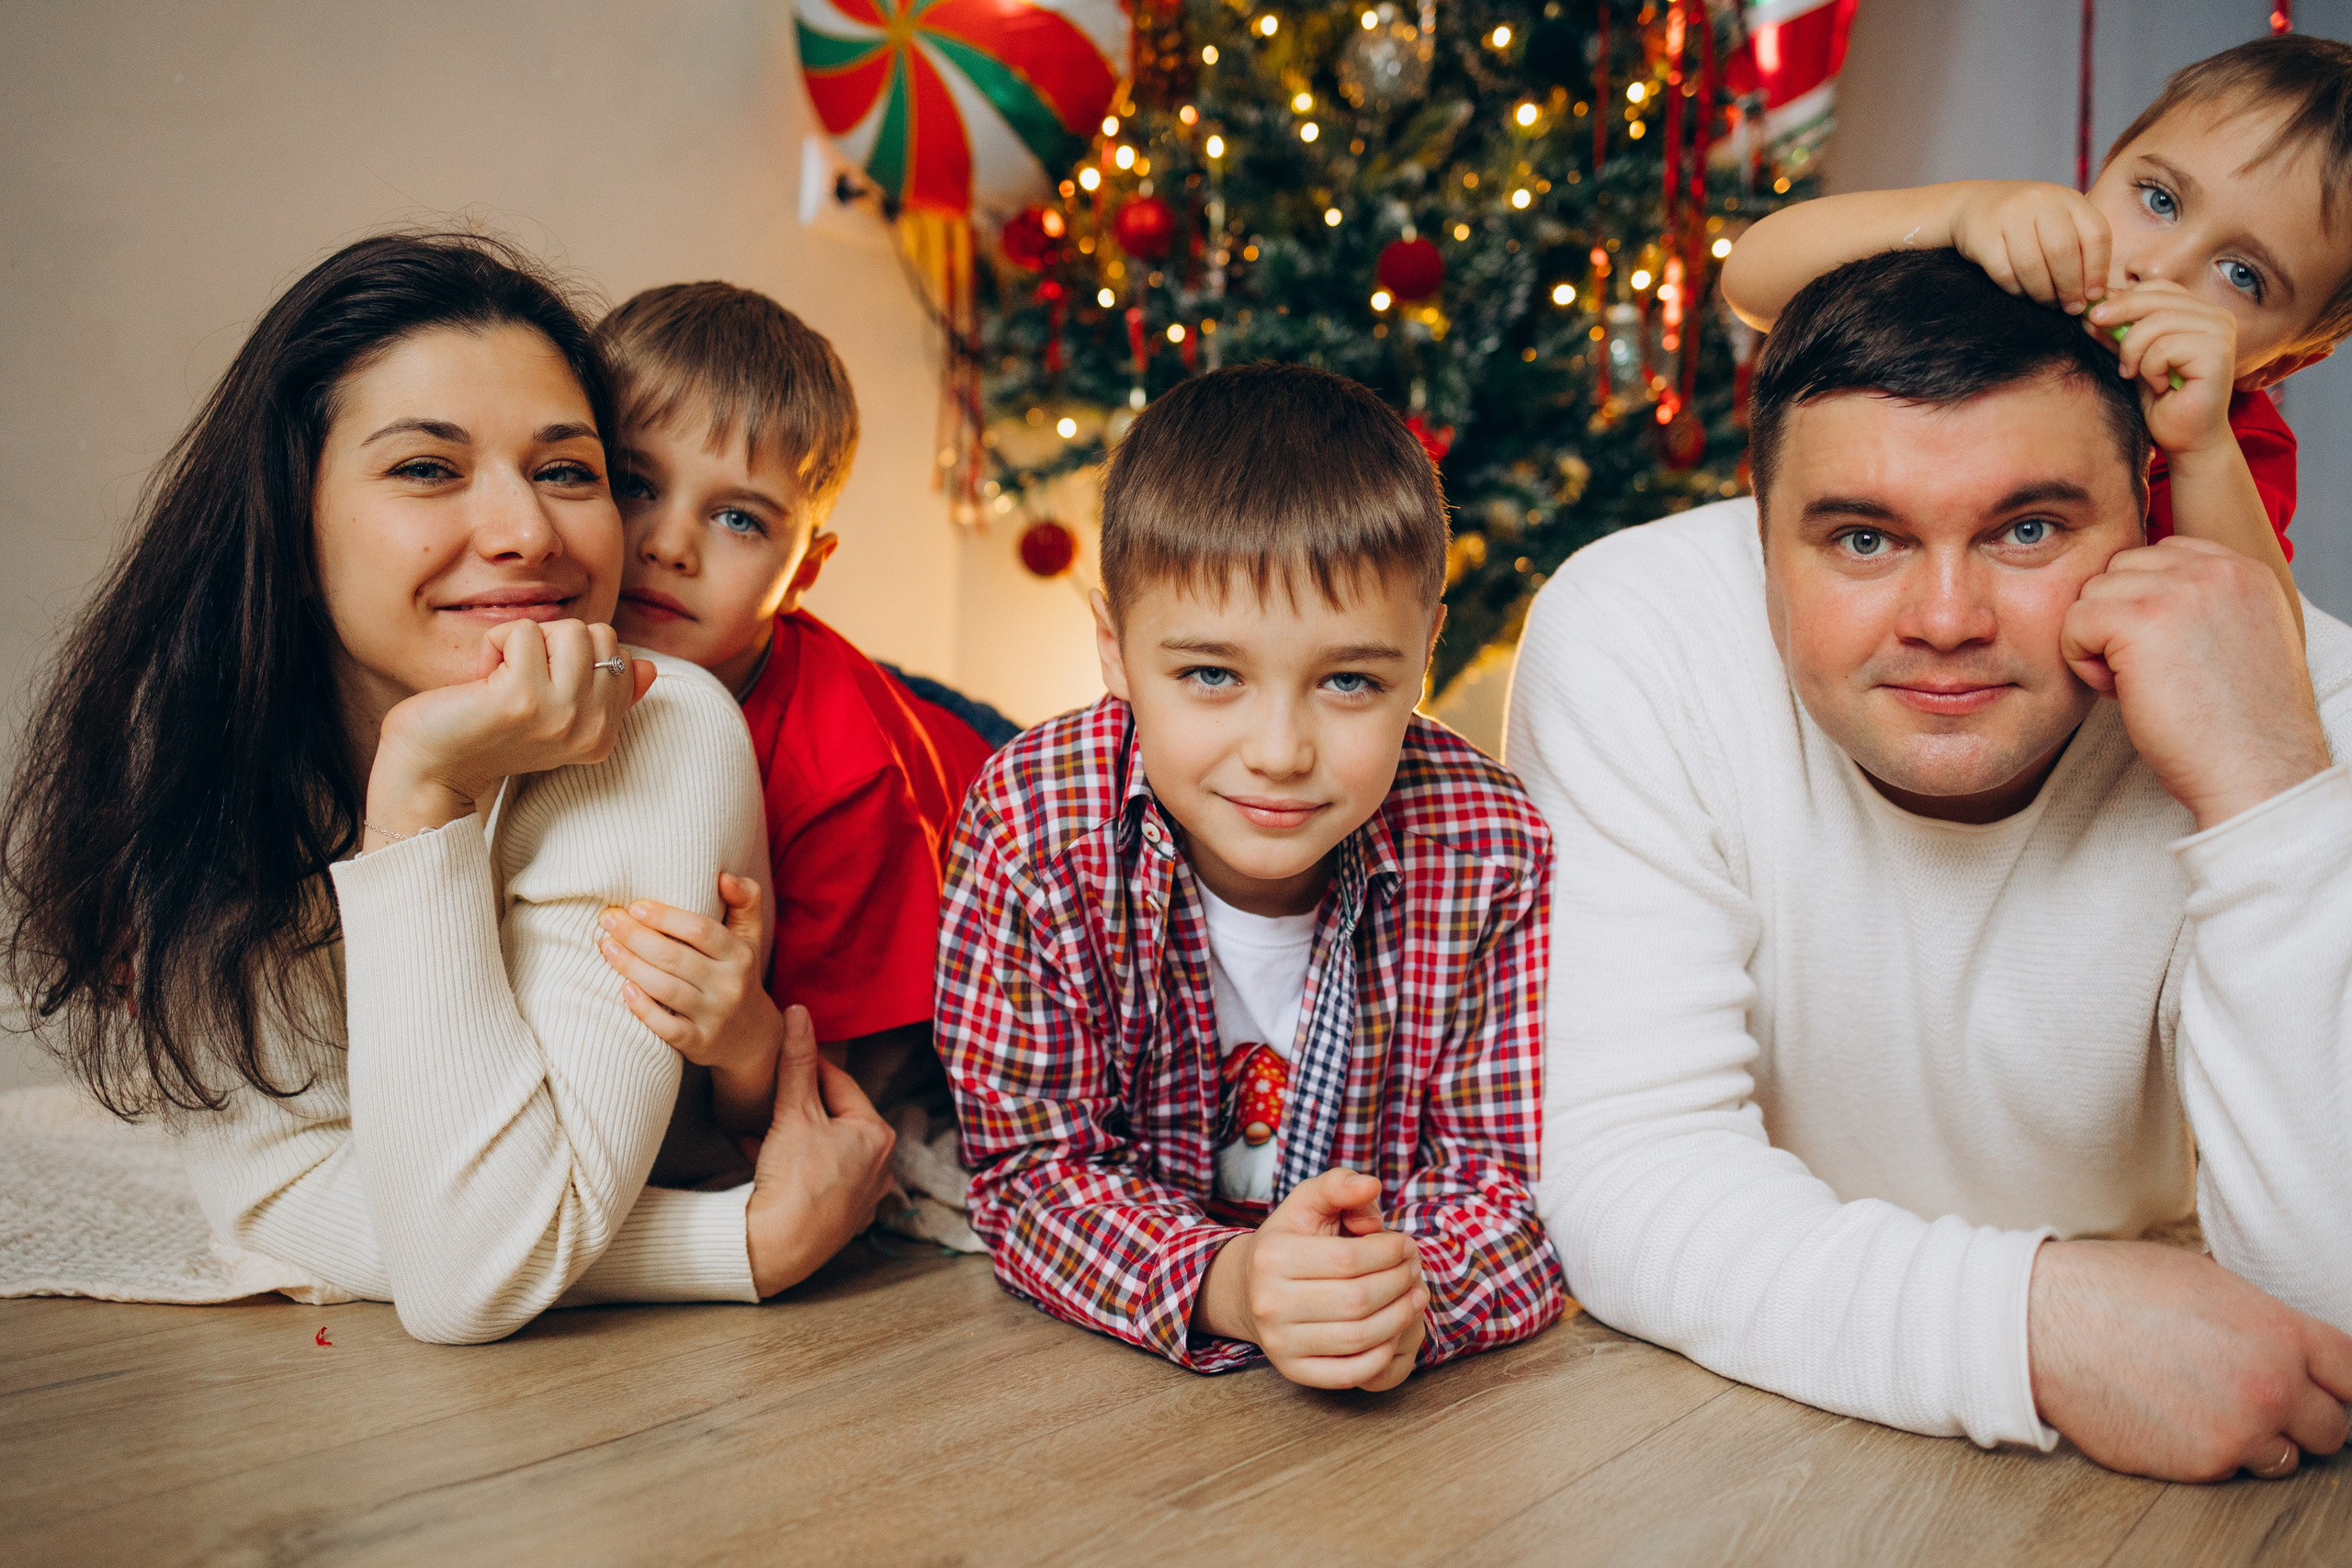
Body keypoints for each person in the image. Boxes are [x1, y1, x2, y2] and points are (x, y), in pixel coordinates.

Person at [1509, 247, 2352, 1483]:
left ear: (2146, 507)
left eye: (2028, 529)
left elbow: (2328, 1309)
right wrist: (2026, 1328)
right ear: (1757, 531)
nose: (1947, 620)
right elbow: (1625, 1169)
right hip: (1721, 1433)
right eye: (1864, 538)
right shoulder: (1638, 630)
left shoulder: (2292, 691)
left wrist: (2262, 786)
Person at [0, 233, 898, 1343]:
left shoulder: (665, 720)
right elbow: (274, 1190)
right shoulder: (206, 740)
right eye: (427, 468)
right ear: (288, 513)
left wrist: (419, 794)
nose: (527, 533)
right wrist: (732, 1244)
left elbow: (470, 1275)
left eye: (566, 472)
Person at [936, 364, 1566, 1391]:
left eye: (1349, 680)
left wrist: (1393, 1305)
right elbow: (1028, 1174)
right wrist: (1228, 1284)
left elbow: (1511, 1190)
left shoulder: (1492, 854)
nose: (1279, 752)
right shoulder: (1031, 825)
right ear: (1114, 648)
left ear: (1425, 653)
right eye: (1211, 674)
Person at [1722, 34, 2352, 628]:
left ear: (2279, 365)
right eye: (2160, 200)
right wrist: (1957, 212)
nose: (2158, 268)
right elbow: (1752, 282)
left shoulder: (2229, 441)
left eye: (2241, 275)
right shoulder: (2005, 270)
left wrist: (2199, 449)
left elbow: (2262, 649)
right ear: (2106, 167)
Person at [583, 282, 997, 1155]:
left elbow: (827, 1090)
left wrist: (744, 1049)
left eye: (738, 518)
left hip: (974, 802)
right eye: (633, 484)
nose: (667, 544)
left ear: (805, 572)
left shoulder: (845, 778)